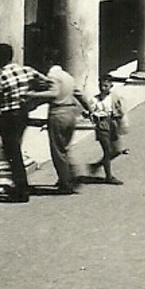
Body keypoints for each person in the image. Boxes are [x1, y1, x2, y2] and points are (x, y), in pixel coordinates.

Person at [0, 42, 49, 202]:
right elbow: (45, 81)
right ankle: (20, 185)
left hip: (8, 117)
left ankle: (21, 190)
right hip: (23, 114)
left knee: (12, 153)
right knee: (15, 150)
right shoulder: (26, 70)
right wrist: (30, 95)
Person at [42, 61, 91, 193]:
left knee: (58, 151)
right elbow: (79, 94)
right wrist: (89, 109)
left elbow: (53, 93)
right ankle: (70, 175)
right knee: (65, 148)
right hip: (71, 114)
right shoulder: (68, 76)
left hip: (58, 113)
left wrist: (32, 96)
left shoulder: (52, 77)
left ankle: (65, 183)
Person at [88, 76, 128, 184]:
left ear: (111, 86)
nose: (103, 88)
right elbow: (88, 111)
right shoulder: (94, 99)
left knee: (116, 150)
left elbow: (121, 110)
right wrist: (92, 116)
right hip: (101, 124)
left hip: (112, 122)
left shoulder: (114, 97)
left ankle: (99, 165)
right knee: (107, 150)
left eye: (106, 86)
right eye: (101, 86)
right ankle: (109, 176)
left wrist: (121, 121)